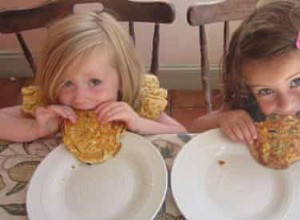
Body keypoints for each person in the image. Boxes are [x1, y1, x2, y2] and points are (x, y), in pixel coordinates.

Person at [0, 11, 186, 142]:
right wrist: (35, 129)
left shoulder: (137, 104)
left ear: (121, 78)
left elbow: (181, 134)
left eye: (95, 82)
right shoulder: (50, 108)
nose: (80, 98)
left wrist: (139, 123)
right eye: (66, 83)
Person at [191, 1, 300, 144]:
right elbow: (195, 128)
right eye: (266, 91)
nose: (285, 105)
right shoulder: (249, 106)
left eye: (297, 81)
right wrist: (223, 120)